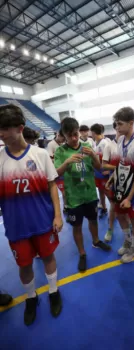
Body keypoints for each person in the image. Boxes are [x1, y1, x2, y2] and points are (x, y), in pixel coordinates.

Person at [0, 104, 63, 326]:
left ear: (20, 127)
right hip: (16, 228)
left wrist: (57, 214)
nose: (1, 134)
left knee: (48, 257)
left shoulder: (41, 154)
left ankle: (54, 292)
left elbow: (52, 185)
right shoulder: (0, 159)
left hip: (43, 222)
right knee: (24, 265)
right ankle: (31, 297)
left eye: (5, 129)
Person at [54, 117, 111, 272]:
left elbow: (100, 169)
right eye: (69, 135)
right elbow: (55, 174)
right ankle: (82, 253)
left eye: (76, 134)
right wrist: (67, 163)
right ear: (63, 135)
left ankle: (96, 240)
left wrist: (93, 156)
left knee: (93, 220)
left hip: (90, 194)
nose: (74, 138)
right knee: (77, 226)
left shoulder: (87, 146)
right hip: (74, 198)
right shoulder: (60, 151)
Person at [109, 107, 134, 263]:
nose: (117, 127)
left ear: (131, 123)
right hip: (121, 185)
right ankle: (127, 240)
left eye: (119, 124)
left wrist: (130, 198)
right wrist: (112, 178)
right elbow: (119, 164)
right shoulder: (121, 141)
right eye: (116, 124)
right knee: (119, 214)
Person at [102, 122, 120, 242]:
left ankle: (129, 230)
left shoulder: (132, 145)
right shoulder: (109, 146)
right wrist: (119, 169)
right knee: (113, 206)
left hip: (128, 183)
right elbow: (104, 165)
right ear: (115, 129)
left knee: (126, 206)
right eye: (118, 126)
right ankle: (110, 229)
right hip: (115, 182)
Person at [90, 123, 110, 218]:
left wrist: (109, 171)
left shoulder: (104, 143)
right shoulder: (95, 143)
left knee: (108, 193)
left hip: (104, 173)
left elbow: (110, 157)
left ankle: (115, 210)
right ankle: (104, 208)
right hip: (97, 173)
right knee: (101, 191)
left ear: (93, 132)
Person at [46, 130, 66, 212]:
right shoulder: (51, 144)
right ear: (58, 135)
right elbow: (50, 159)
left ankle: (66, 206)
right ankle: (63, 208)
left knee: (66, 191)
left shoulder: (64, 144)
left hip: (65, 170)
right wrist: (59, 160)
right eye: (62, 137)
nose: (63, 139)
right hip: (56, 172)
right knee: (63, 191)